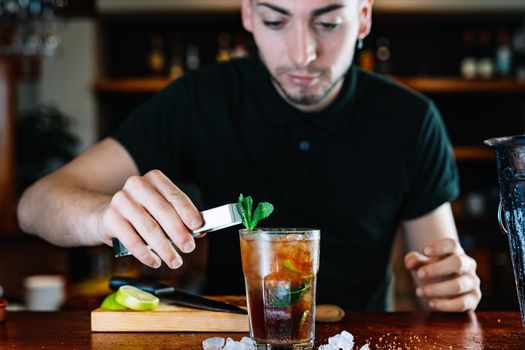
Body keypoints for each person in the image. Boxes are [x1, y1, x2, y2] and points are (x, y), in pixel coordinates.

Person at [17, 0, 481, 311]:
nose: (303, 54)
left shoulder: (411, 118)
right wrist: (104, 216)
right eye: (277, 22)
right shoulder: (199, 100)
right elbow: (35, 204)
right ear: (248, 15)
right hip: (231, 332)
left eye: (328, 22)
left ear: (363, 18)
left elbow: (438, 263)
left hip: (358, 333)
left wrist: (450, 283)